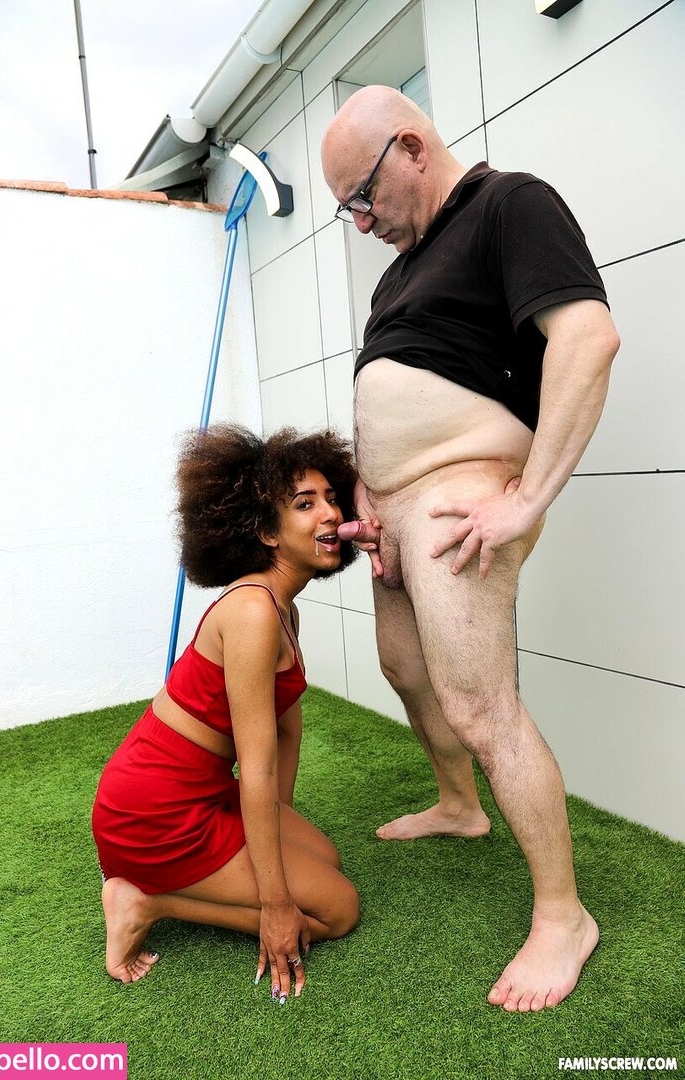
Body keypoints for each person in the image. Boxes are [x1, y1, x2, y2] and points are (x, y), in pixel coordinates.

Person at [321, 85, 620, 1012]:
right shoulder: (397, 273)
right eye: (346, 208)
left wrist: (528, 499)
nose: (360, 220)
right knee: (406, 669)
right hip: (396, 512)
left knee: (482, 706)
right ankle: (460, 807)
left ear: (411, 147)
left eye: (363, 196)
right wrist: (369, 491)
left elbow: (587, 338)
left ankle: (564, 915)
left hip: (460, 497)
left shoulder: (508, 204)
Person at [91, 424, 360, 1000]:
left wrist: (278, 840)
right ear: (266, 531)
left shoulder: (283, 608)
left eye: (332, 498)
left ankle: (176, 888)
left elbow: (287, 735)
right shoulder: (253, 611)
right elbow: (255, 768)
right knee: (337, 910)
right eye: (305, 504)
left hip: (207, 793)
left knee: (326, 858)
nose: (331, 514)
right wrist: (275, 900)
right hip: (154, 813)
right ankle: (146, 900)